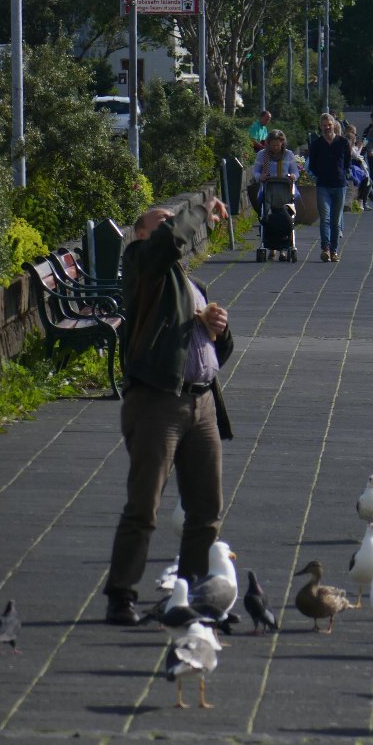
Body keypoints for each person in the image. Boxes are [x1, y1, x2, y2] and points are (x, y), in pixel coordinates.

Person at [104, 198, 233, 626]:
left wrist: (219, 327)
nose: (169, 226)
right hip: (158, 402)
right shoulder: (143, 264)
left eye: (171, 220)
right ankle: (121, 594)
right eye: (159, 222)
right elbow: (170, 241)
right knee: (145, 505)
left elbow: (215, 347)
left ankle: (191, 593)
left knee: (207, 509)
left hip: (202, 401)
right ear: (140, 235)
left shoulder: (186, 282)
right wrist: (200, 209)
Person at [308, 111, 350, 263]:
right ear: (320, 127)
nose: (327, 127)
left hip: (339, 185)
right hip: (323, 185)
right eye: (324, 125)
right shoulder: (316, 144)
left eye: (329, 125)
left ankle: (334, 251)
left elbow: (347, 162)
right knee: (324, 218)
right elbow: (311, 164)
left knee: (336, 220)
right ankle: (325, 249)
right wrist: (320, 174)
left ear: (334, 125)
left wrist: (342, 173)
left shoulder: (343, 143)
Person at [251, 129, 300, 260]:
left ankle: (283, 249)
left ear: (282, 144)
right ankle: (271, 248)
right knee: (267, 216)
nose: (275, 148)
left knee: (286, 217)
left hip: (285, 190)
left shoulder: (288, 155)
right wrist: (260, 176)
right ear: (268, 144)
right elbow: (255, 172)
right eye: (273, 145)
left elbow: (295, 172)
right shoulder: (262, 155)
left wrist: (294, 175)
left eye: (278, 145)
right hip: (268, 190)